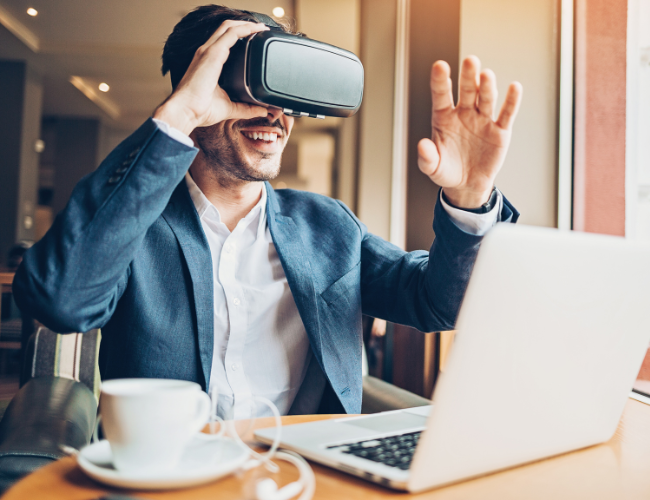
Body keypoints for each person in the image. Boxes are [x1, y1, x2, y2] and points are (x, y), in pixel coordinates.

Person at [13, 5, 522, 418]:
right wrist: (178, 117)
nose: (274, 115)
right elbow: (59, 300)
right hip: (173, 478)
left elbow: (439, 303)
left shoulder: (327, 226)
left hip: (307, 474)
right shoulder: (135, 225)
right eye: (250, 87)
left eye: (284, 96)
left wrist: (470, 198)